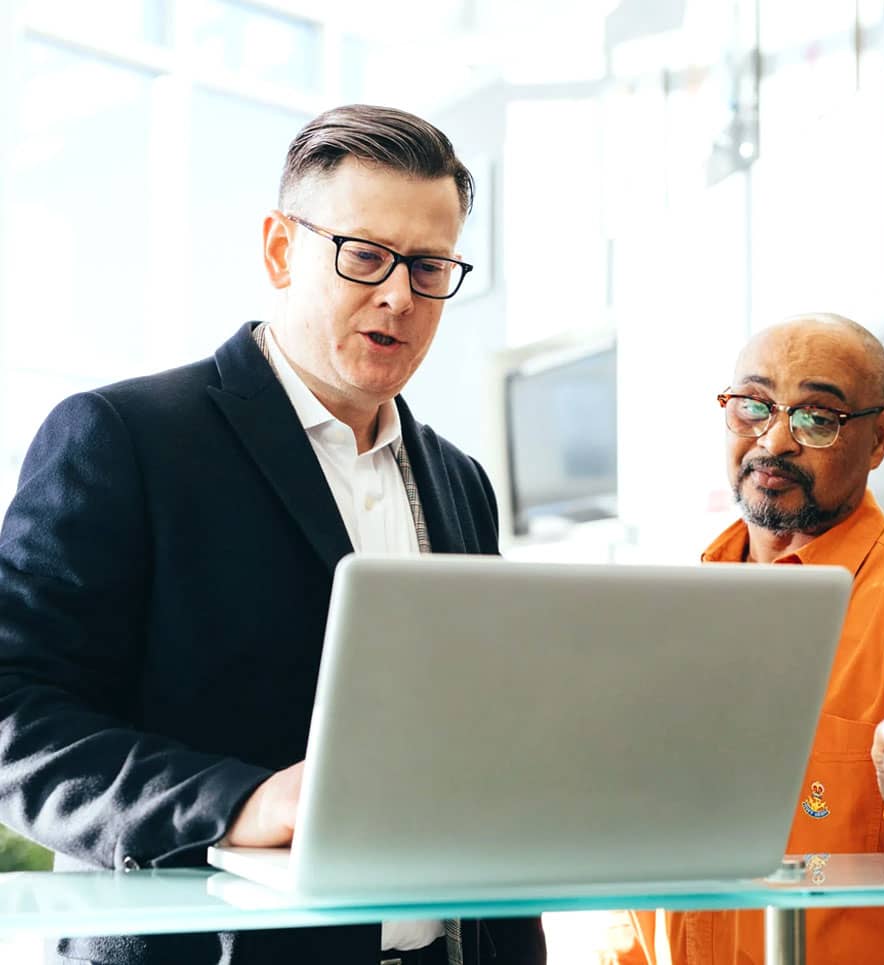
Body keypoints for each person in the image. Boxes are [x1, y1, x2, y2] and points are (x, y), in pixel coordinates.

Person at [0, 104, 546, 965]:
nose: (398, 296)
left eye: (428, 266)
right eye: (364, 255)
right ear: (281, 250)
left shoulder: (460, 480)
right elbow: (15, 716)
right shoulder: (123, 437)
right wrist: (240, 804)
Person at [605, 313, 884, 964]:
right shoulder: (674, 607)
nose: (775, 440)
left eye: (817, 417)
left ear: (880, 437)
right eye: (753, 406)